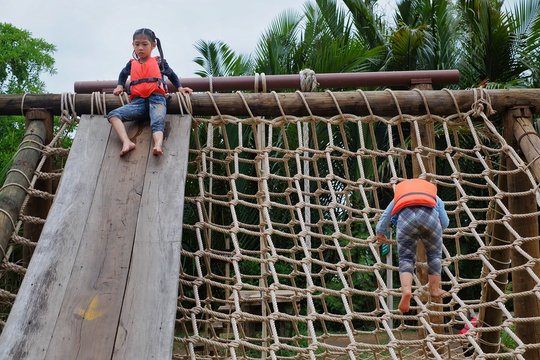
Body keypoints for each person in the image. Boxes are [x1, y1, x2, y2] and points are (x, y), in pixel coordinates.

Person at [107, 28, 193, 157]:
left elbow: (172, 75)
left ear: (153, 45)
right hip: (138, 102)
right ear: (133, 45)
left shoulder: (159, 62)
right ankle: (126, 142)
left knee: (157, 120)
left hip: (157, 99)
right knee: (113, 115)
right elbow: (123, 74)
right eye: (137, 44)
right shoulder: (132, 64)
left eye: (144, 44)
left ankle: (158, 144)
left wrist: (180, 88)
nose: (140, 48)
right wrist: (120, 86)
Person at [375, 178, 449, 313]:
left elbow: (387, 214)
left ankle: (407, 291)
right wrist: (438, 230)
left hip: (406, 220)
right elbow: (444, 221)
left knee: (406, 258)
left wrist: (380, 232)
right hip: (430, 218)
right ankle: (434, 289)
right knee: (434, 256)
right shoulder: (433, 195)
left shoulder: (400, 194)